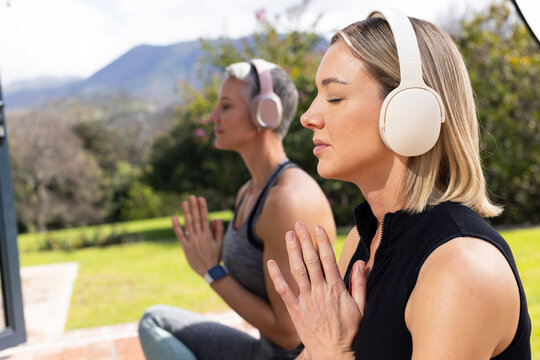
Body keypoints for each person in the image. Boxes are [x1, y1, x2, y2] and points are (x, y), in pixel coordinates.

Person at [266, 8, 531, 360]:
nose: (308, 117)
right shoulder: (363, 244)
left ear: (409, 110)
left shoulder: (461, 269)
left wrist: (332, 351)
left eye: (334, 98)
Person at [138, 59, 336, 360]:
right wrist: (215, 260)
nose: (213, 116)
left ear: (265, 113)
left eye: (226, 106)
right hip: (262, 352)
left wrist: (212, 271)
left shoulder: (287, 200)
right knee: (155, 320)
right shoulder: (250, 191)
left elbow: (289, 334)